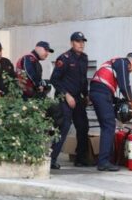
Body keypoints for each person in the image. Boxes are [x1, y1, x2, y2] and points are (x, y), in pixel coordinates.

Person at [89, 52, 132, 171]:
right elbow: (124, 86)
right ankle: (103, 162)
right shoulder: (123, 63)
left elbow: (107, 88)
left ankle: (106, 158)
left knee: (106, 125)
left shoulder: (114, 63)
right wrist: (131, 101)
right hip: (101, 93)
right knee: (109, 125)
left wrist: (118, 101)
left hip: (99, 92)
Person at [50, 32, 90, 169]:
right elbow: (54, 79)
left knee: (83, 126)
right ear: (72, 43)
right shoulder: (64, 58)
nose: (81, 44)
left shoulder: (84, 58)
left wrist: (86, 95)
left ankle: (80, 158)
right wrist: (66, 95)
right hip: (64, 97)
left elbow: (83, 79)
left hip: (78, 98)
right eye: (78, 41)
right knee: (64, 127)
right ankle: (52, 159)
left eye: (83, 41)